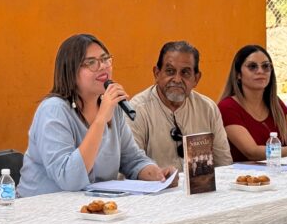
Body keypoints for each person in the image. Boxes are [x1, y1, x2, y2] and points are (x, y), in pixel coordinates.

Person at [17, 34, 174, 197]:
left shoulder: (113, 107)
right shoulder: (53, 110)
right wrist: (100, 121)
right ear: (71, 70)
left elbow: (132, 160)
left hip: (93, 207)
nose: (102, 66)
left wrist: (157, 175)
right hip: (42, 209)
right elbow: (69, 179)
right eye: (91, 62)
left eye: (105, 59)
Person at [128, 41, 231, 170]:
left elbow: (224, 165)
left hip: (201, 189)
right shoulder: (137, 110)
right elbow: (130, 168)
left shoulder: (208, 109)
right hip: (155, 188)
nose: (177, 79)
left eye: (185, 73)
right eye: (170, 71)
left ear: (196, 79)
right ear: (157, 74)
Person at [218, 44, 287, 161]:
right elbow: (252, 152)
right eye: (252, 66)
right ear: (238, 74)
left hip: (283, 172)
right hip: (246, 177)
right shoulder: (227, 107)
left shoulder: (275, 103)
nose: (260, 71)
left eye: (266, 66)